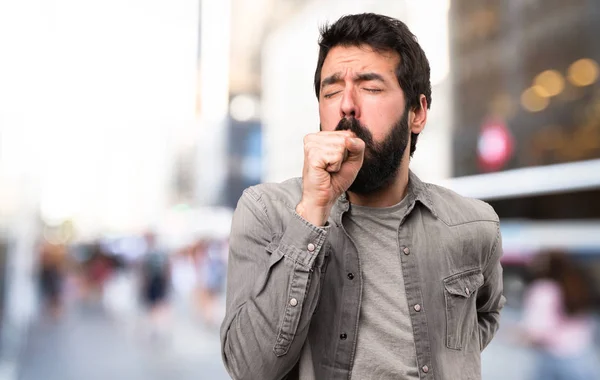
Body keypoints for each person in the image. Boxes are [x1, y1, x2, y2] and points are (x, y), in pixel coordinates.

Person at [221, 13, 505, 380]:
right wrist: (312, 211)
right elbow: (249, 369)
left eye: (370, 88)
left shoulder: (474, 224)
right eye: (331, 90)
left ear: (417, 113)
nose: (346, 106)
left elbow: (485, 316)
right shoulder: (266, 212)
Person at [520, 251, 600, 380]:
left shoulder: (542, 289)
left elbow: (537, 331)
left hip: (553, 357)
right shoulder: (576, 284)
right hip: (581, 355)